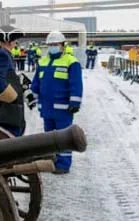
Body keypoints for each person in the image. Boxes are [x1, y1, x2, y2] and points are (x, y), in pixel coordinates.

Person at [31, 31, 83, 174]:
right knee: (49, 136)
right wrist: (31, 97)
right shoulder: (42, 61)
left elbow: (76, 84)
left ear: (62, 45)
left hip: (63, 108)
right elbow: (36, 84)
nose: (53, 47)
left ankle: (64, 164)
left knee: (64, 137)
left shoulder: (71, 62)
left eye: (56, 44)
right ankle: (52, 159)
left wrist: (75, 101)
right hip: (46, 107)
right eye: (50, 45)